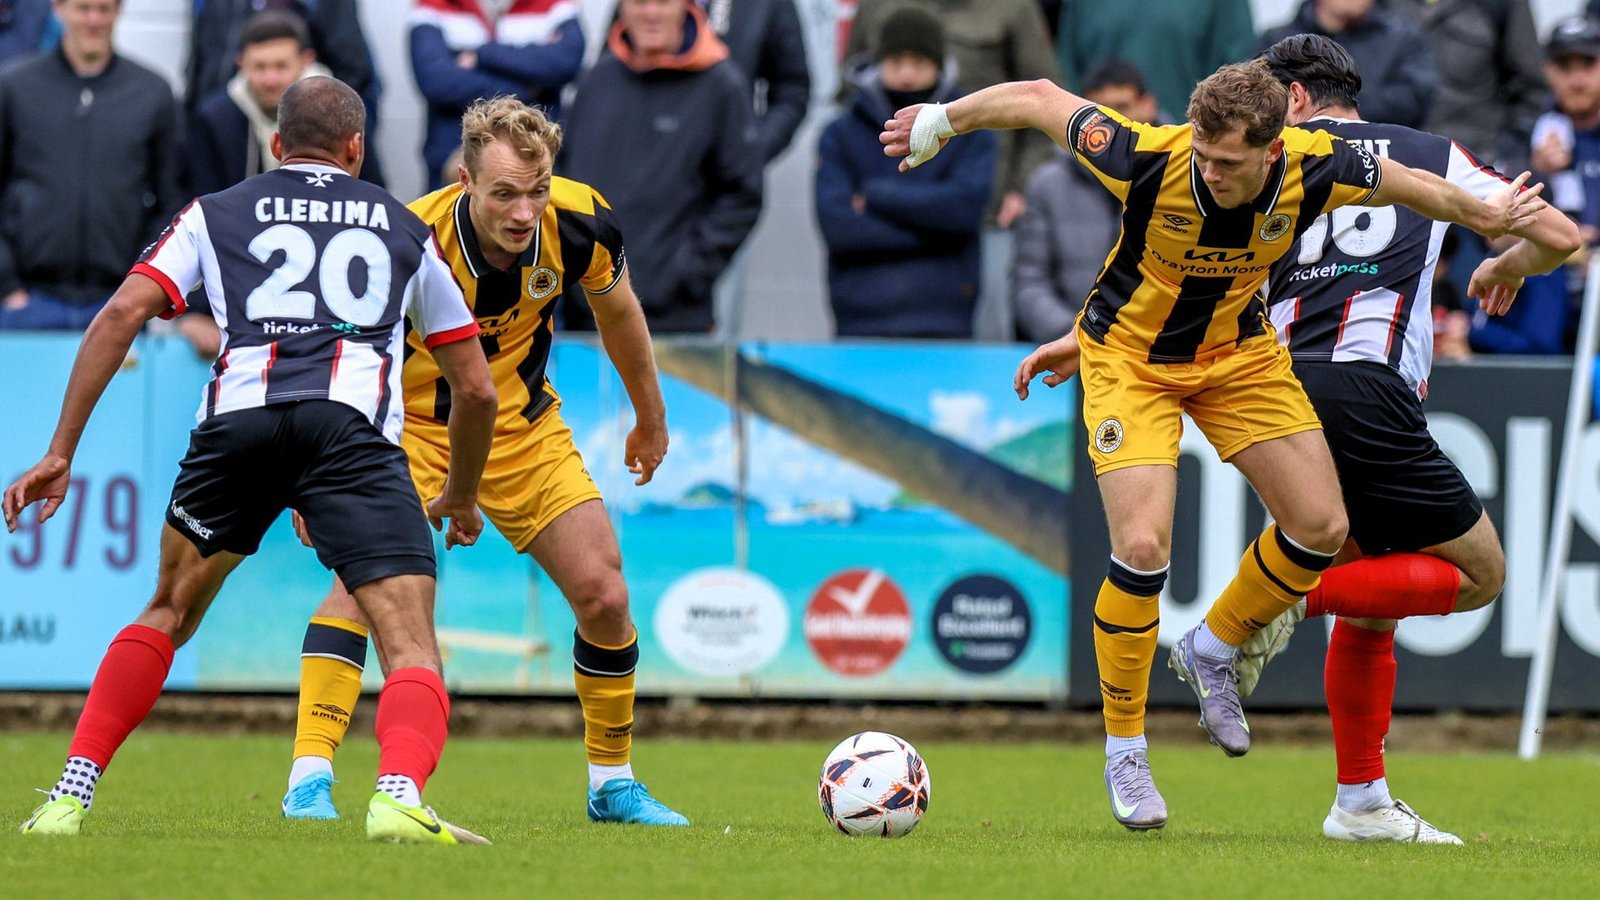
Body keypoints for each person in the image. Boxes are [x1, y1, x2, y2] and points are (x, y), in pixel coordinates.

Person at [881, 62, 1543, 831]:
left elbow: (1409, 185)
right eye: (1205, 154)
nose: (1212, 171)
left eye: (1230, 162)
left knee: (1322, 527)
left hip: (1239, 357)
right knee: (1141, 545)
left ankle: (1214, 645)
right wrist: (941, 120)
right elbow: (1034, 97)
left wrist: (1484, 216)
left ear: (1273, 150)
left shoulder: (1313, 163)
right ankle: (1125, 750)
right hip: (1131, 361)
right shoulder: (1145, 153)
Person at [6, 76, 499, 844]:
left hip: (238, 424)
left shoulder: (215, 212)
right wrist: (462, 496)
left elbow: (121, 314)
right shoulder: (405, 229)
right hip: (349, 433)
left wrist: (59, 450)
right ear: (357, 150)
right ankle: (398, 794)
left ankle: (70, 798)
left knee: (166, 612)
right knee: (409, 643)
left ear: (276, 146)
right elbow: (476, 390)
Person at [279, 95, 688, 828]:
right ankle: (309, 776)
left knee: (605, 595)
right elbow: (332, 353)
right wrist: (315, 470)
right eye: (504, 193)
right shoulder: (404, 239)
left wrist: (650, 417)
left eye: (535, 191)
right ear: (465, 181)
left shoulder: (582, 219)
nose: (525, 211)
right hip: (407, 433)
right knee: (361, 592)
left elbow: (619, 312)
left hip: (522, 430)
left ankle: (612, 784)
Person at [1239, 33, 1580, 844]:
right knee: (1480, 573)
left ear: (1294, 99)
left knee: (1371, 603)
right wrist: (1507, 266)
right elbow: (1563, 236)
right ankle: (1272, 602)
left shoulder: (1257, 162)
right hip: (1366, 390)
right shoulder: (1431, 152)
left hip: (1275, 398)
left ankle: (1360, 802)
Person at [846, 0, 1060, 339]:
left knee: (988, 340)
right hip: (883, 205)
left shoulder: (1013, 7)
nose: (907, 71)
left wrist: (1022, 185)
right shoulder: (877, 6)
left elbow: (1043, 102)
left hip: (985, 202)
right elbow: (852, 93)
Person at [558, 0, 760, 334]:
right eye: (639, 2)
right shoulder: (597, 81)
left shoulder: (722, 85)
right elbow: (563, 180)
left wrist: (684, 276)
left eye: (663, 2)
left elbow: (743, 194)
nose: (650, 13)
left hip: (675, 322)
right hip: (588, 314)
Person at [0, 0, 182, 331]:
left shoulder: (152, 92)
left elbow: (171, 197)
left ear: (118, 11)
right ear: (59, 9)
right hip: (27, 302)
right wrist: (7, 285)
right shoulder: (15, 87)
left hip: (117, 302)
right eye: (83, 8)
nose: (94, 19)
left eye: (104, 9)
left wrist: (140, 285)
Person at [815, 5, 994, 338]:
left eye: (919, 62)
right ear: (879, 62)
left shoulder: (972, 133)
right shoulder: (840, 134)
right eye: (896, 62)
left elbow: (964, 212)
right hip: (860, 319)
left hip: (946, 320)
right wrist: (935, 228)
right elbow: (839, 228)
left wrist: (874, 195)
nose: (907, 74)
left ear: (939, 65)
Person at [1011, 59, 1158, 343]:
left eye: (1122, 108)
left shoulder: (1187, 175)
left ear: (1148, 105)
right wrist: (1081, 336)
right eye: (1100, 113)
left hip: (1161, 353)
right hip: (1074, 352)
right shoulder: (1048, 184)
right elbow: (1029, 282)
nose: (1113, 124)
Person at [188, 0, 386, 187]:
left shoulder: (342, 113)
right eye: (260, 67)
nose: (270, 79)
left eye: (281, 66)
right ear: (242, 64)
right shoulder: (215, 119)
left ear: (306, 61)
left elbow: (372, 194)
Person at [408, 0, 584, 189]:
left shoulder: (554, 5)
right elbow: (437, 80)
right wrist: (528, 87)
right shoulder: (433, 5)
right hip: (454, 168)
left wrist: (482, 54)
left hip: (536, 164)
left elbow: (564, 62)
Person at [1055, 0, 1254, 124]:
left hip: (1192, 161)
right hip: (1094, 161)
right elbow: (1065, 76)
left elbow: (1238, 83)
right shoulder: (1081, 5)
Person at [1258, 0, 1435, 130]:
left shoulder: (1403, 40)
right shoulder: (1276, 41)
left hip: (1385, 158)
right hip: (1294, 161)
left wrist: (1331, 107)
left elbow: (1415, 99)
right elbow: (1258, 102)